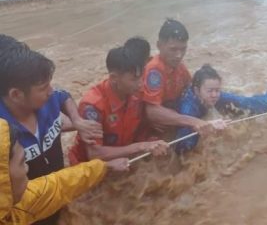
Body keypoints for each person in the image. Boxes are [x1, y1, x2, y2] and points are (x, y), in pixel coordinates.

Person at [0, 45, 102, 225]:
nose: (51, 91)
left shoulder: (46, 100)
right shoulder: (4, 136)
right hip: (26, 210)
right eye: (43, 87)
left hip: (57, 192)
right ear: (16, 94)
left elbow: (64, 96)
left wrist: (77, 121)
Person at [0, 118, 129, 225]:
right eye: (22, 162)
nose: (27, 168)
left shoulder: (15, 203)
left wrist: (103, 167)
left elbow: (59, 185)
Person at [68, 38, 169, 165]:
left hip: (125, 160)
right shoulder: (93, 106)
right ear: (114, 78)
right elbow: (94, 154)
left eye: (141, 77)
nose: (140, 84)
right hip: (89, 169)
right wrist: (142, 146)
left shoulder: (137, 92)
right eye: (134, 79)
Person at [175, 64, 267, 153]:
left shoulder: (216, 97)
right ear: (197, 90)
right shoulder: (188, 108)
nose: (214, 95)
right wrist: (206, 126)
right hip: (188, 113)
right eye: (210, 91)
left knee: (241, 107)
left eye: (217, 90)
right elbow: (182, 147)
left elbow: (250, 104)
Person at [143, 19, 223, 137]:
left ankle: (259, 103)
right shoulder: (154, 71)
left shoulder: (179, 67)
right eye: (173, 49)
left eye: (183, 49)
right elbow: (152, 112)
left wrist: (212, 94)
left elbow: (191, 89)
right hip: (168, 119)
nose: (179, 55)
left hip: (179, 110)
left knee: (230, 100)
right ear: (159, 46)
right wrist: (194, 121)